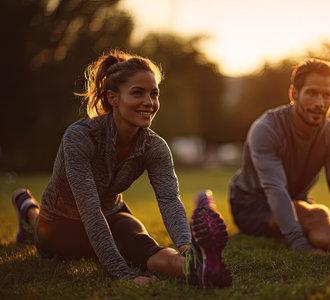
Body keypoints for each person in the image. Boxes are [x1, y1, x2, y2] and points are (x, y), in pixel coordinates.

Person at [11, 50, 232, 287]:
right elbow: (89, 209)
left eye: (154, 94)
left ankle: (194, 266)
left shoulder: (154, 146)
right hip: (60, 222)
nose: (149, 102)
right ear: (112, 98)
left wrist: (186, 245)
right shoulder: (79, 137)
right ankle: (29, 210)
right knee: (98, 246)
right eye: (138, 93)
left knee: (139, 243)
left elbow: (168, 199)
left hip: (114, 213)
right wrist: (124, 274)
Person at [229, 58, 330, 259]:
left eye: (327, 95)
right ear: (294, 94)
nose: (319, 103)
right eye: (312, 93)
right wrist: (301, 245)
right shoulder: (266, 129)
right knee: (313, 216)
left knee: (320, 217)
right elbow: (275, 190)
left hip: (297, 200)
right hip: (250, 204)